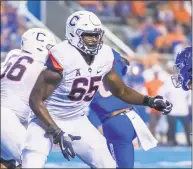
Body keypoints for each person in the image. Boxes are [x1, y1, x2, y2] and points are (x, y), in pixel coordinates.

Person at [22, 11, 172, 168]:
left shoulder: (105, 55)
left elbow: (120, 91)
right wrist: (56, 131)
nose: (94, 39)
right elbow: (35, 100)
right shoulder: (63, 56)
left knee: (108, 165)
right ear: (74, 34)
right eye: (89, 35)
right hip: (46, 120)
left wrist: (150, 101)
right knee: (32, 161)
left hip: (77, 119)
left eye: (97, 35)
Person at [88, 54, 158, 168]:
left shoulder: (85, 77)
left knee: (109, 164)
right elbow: (124, 63)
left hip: (115, 120)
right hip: (132, 116)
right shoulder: (112, 64)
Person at [0, 28, 56, 168]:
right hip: (6, 118)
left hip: (7, 117)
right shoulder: (43, 67)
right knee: (31, 158)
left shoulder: (13, 55)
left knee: (6, 161)